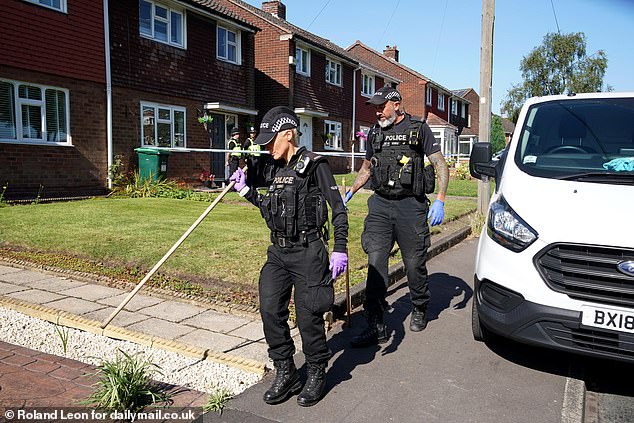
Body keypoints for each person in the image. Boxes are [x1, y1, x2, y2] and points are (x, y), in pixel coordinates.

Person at [229, 106, 348, 407]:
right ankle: (286, 370)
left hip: (308, 251)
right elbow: (272, 207)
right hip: (278, 252)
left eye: (272, 141)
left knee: (309, 317)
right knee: (270, 308)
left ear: (288, 135)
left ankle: (317, 371)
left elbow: (339, 208)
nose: (268, 147)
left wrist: (340, 248)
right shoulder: (275, 168)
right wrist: (245, 189)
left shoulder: (315, 165)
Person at [344, 86, 449, 348]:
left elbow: (439, 164)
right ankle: (375, 323)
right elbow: (367, 168)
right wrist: (352, 190)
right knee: (376, 261)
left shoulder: (418, 129)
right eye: (375, 107)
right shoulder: (375, 132)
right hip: (380, 205)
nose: (378, 111)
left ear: (397, 104)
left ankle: (420, 306)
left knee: (413, 263)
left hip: (410, 205)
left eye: (382, 106)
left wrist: (440, 199)